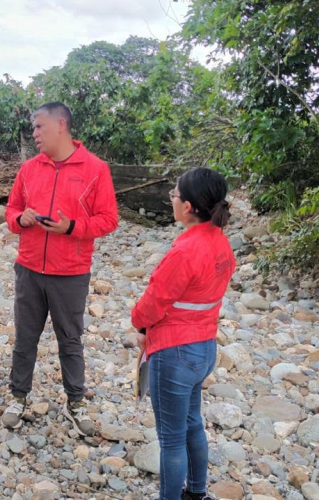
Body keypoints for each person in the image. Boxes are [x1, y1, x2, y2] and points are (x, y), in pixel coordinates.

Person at [1, 102, 118, 436]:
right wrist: (18, 220)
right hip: (29, 268)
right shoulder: (29, 169)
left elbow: (108, 220)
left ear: (60, 125)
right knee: (25, 337)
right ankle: (18, 396)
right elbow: (12, 209)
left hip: (71, 272)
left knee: (70, 340)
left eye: (39, 126)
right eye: (34, 127)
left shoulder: (95, 168)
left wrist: (71, 227)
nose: (34, 133)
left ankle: (76, 402)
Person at [131, 167, 236, 500]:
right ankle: (198, 491)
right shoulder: (220, 243)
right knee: (193, 423)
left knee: (171, 440)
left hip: (174, 353)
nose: (171, 199)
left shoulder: (185, 251)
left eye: (174, 195)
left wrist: (139, 324)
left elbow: (154, 300)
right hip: (203, 349)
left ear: (188, 206)